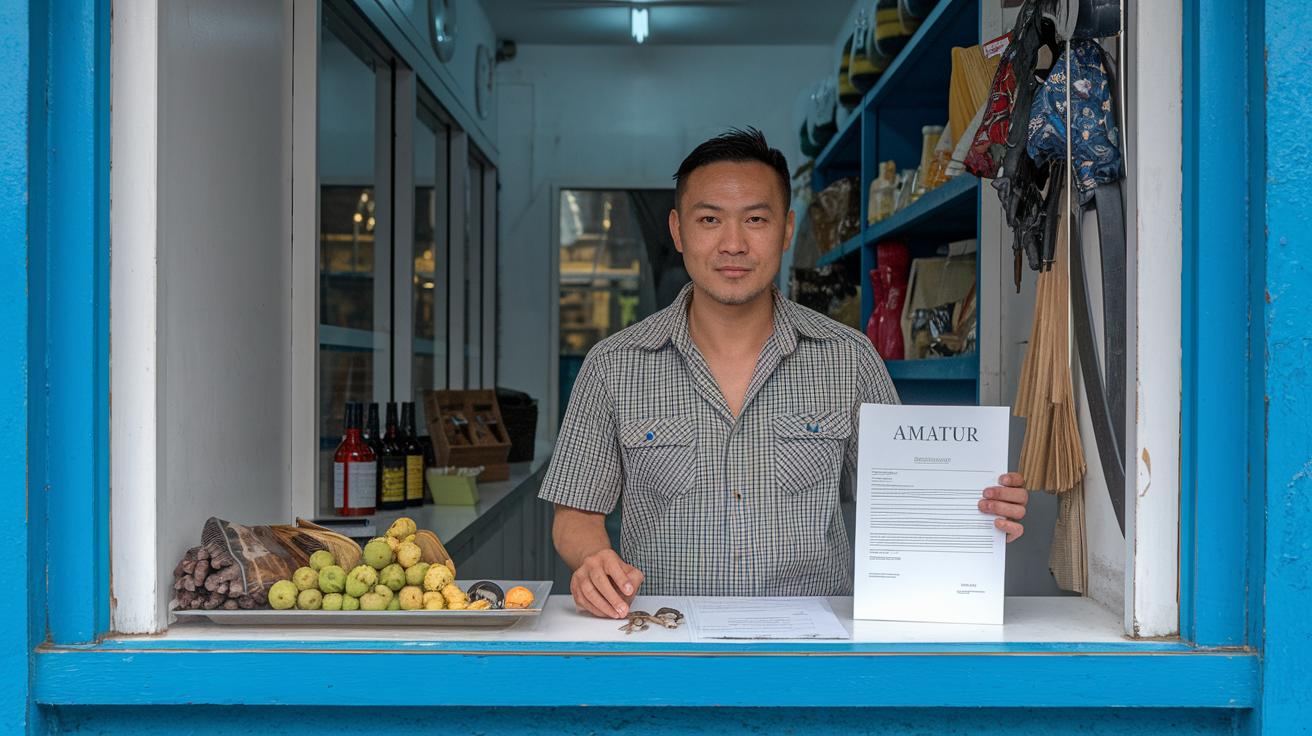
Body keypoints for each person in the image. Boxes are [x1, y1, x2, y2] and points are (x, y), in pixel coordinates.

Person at [539, 128, 1029, 619]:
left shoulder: (848, 359)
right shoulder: (614, 365)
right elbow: (574, 514)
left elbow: (901, 499)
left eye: (755, 219)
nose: (733, 244)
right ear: (678, 230)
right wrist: (592, 559)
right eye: (709, 219)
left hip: (813, 655)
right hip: (668, 643)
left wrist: (976, 509)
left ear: (786, 230)